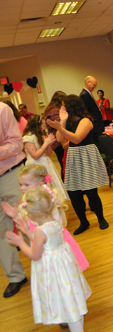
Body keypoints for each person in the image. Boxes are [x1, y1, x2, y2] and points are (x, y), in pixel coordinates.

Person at [5, 186, 91, 332]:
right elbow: (46, 240)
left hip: (54, 272)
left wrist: (20, 242)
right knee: (72, 301)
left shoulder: (39, 230)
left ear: (32, 215)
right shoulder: (55, 222)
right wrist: (27, 231)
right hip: (65, 269)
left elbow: (35, 254)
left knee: (68, 305)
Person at [1, 164, 89, 271]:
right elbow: (29, 223)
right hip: (40, 243)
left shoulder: (48, 203)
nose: (22, 188)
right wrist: (16, 216)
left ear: (40, 184)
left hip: (52, 246)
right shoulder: (29, 200)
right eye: (20, 184)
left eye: (26, 184)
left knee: (61, 273)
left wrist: (25, 238)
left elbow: (49, 231)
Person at [47, 95, 109, 235]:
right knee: (74, 193)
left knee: (91, 191)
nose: (62, 108)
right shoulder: (68, 122)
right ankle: (83, 222)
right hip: (74, 156)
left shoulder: (86, 120)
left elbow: (76, 138)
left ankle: (101, 219)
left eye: (64, 106)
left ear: (72, 106)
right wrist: (62, 123)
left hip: (86, 155)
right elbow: (60, 140)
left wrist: (60, 128)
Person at [0, 103, 28, 298]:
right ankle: (15, 276)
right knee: (1, 231)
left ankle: (44, 269)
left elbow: (16, 143)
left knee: (27, 223)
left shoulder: (2, 109)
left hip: (11, 174)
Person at [22, 114, 69, 201]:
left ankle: (52, 201)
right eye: (43, 125)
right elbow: (35, 156)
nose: (44, 127)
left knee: (49, 184)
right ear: (37, 125)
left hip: (46, 163)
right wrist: (46, 144)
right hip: (35, 165)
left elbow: (48, 153)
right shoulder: (28, 138)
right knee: (39, 187)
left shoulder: (41, 136)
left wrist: (49, 145)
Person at [44, 91, 68, 180]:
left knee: (65, 166)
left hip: (58, 141)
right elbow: (59, 124)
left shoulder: (52, 109)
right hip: (59, 142)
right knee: (65, 167)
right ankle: (68, 190)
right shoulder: (54, 111)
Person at [79, 76, 104, 144]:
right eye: (94, 85)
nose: (95, 87)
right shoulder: (84, 95)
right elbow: (85, 112)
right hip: (94, 126)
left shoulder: (88, 94)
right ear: (88, 83)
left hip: (97, 126)